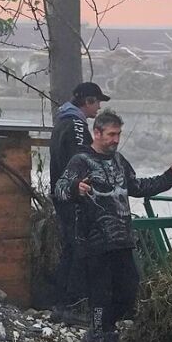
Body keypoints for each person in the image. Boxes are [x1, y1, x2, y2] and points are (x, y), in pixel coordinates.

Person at [54, 108, 172, 342]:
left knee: (129, 291)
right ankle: (98, 337)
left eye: (118, 134)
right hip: (94, 242)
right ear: (97, 133)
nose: (116, 140)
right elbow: (60, 189)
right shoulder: (81, 161)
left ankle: (105, 328)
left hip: (123, 241)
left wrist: (169, 178)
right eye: (111, 134)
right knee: (99, 296)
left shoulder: (119, 160)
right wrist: (76, 188)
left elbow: (137, 186)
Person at [48, 82, 110, 323]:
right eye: (98, 102)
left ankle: (60, 303)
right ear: (88, 101)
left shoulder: (62, 120)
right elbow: (79, 161)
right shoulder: (75, 124)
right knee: (78, 249)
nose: (99, 107)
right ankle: (70, 306)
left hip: (62, 194)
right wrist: (84, 189)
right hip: (73, 197)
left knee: (70, 248)